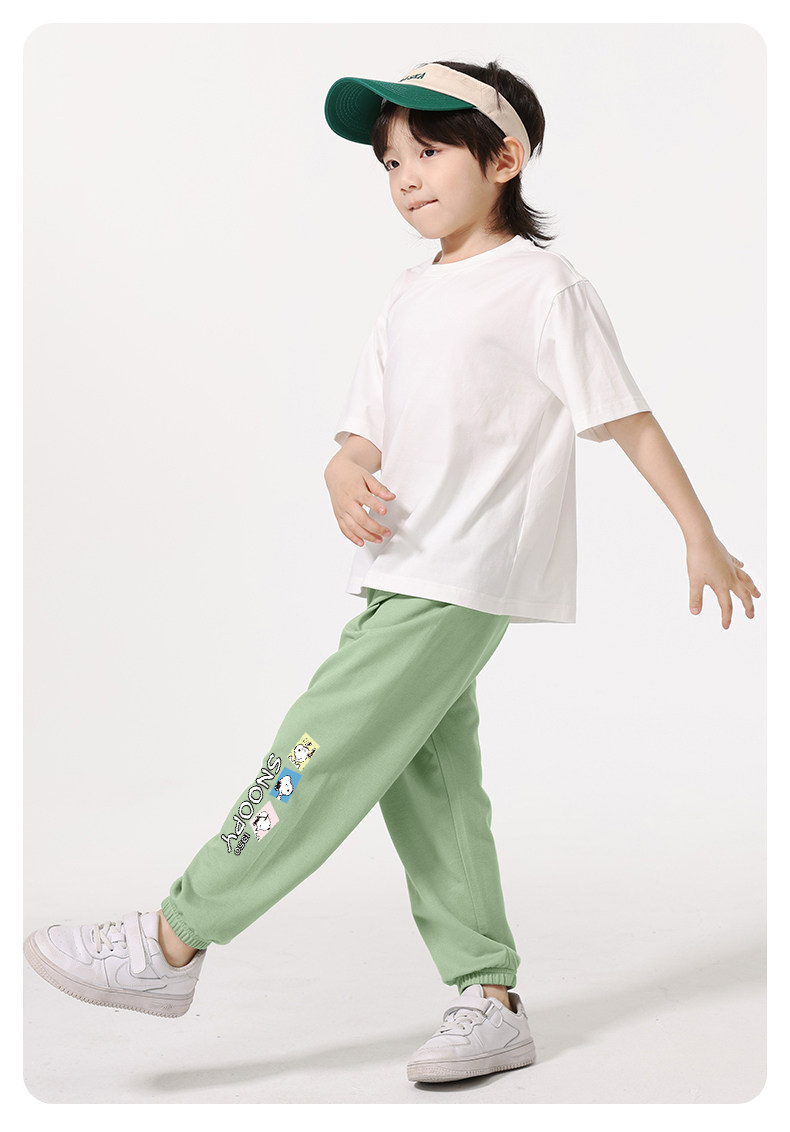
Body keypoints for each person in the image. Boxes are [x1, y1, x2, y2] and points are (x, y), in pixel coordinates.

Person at [23, 57, 761, 1086]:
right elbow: (363, 430)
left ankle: (171, 942)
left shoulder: (544, 286)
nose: (405, 176)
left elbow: (624, 415)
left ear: (504, 159)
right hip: (400, 568)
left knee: (312, 750)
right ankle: (490, 996)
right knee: (431, 783)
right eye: (388, 162)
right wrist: (343, 467)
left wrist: (698, 532)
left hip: (464, 571)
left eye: (429, 151)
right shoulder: (410, 294)